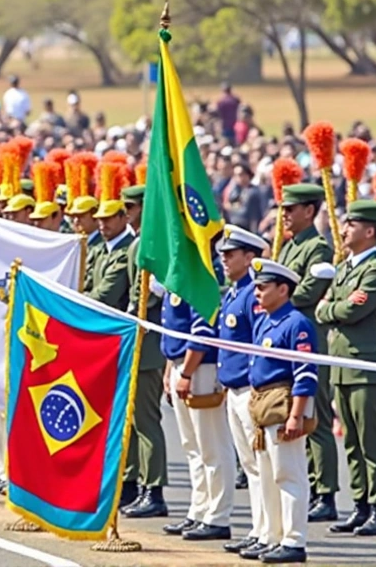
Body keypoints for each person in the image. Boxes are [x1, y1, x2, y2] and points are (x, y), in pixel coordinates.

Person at [315, 199, 376, 537]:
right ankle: (360, 505)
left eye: (352, 224)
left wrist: (331, 308)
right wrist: (333, 307)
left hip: (365, 367)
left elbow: (348, 311)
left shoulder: (375, 272)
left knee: (371, 442)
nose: (344, 229)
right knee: (351, 442)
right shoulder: (346, 268)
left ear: (370, 231)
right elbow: (325, 309)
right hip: (342, 367)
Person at [242, 258, 318, 564]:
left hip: (282, 405)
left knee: (289, 475)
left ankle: (294, 539)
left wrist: (296, 415)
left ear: (283, 289)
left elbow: (305, 374)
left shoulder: (296, 323)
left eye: (263, 287)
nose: (257, 292)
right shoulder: (265, 320)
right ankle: (273, 535)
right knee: (269, 476)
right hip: (263, 406)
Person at [275, 183, 338, 522]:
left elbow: (306, 294)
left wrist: (273, 301)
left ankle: (325, 492)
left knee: (317, 418)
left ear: (310, 211)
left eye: (291, 208)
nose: (284, 214)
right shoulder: (287, 248)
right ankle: (311, 483)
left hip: (306, 339)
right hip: (284, 338)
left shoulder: (317, 248)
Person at [159, 280, 234, 542]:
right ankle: (199, 508)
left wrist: (187, 372)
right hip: (181, 363)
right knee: (192, 446)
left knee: (211, 443)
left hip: (201, 366)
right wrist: (171, 370)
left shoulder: (200, 275)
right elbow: (173, 329)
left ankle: (217, 516)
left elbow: (202, 330)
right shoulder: (179, 276)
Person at [214, 226, 271, 555]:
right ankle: (258, 528)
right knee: (250, 465)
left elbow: (258, 342)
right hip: (233, 387)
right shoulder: (235, 292)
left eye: (231, 254)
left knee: (260, 464)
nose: (224, 259)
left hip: (250, 387)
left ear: (250, 258)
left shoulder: (253, 294)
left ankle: (266, 531)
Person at [121, 184, 170, 519]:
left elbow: (146, 296)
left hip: (149, 346)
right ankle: (138, 483)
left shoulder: (154, 245)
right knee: (135, 421)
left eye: (130, 207)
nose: (126, 213)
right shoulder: (140, 242)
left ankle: (154, 490)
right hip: (135, 339)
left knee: (147, 421)